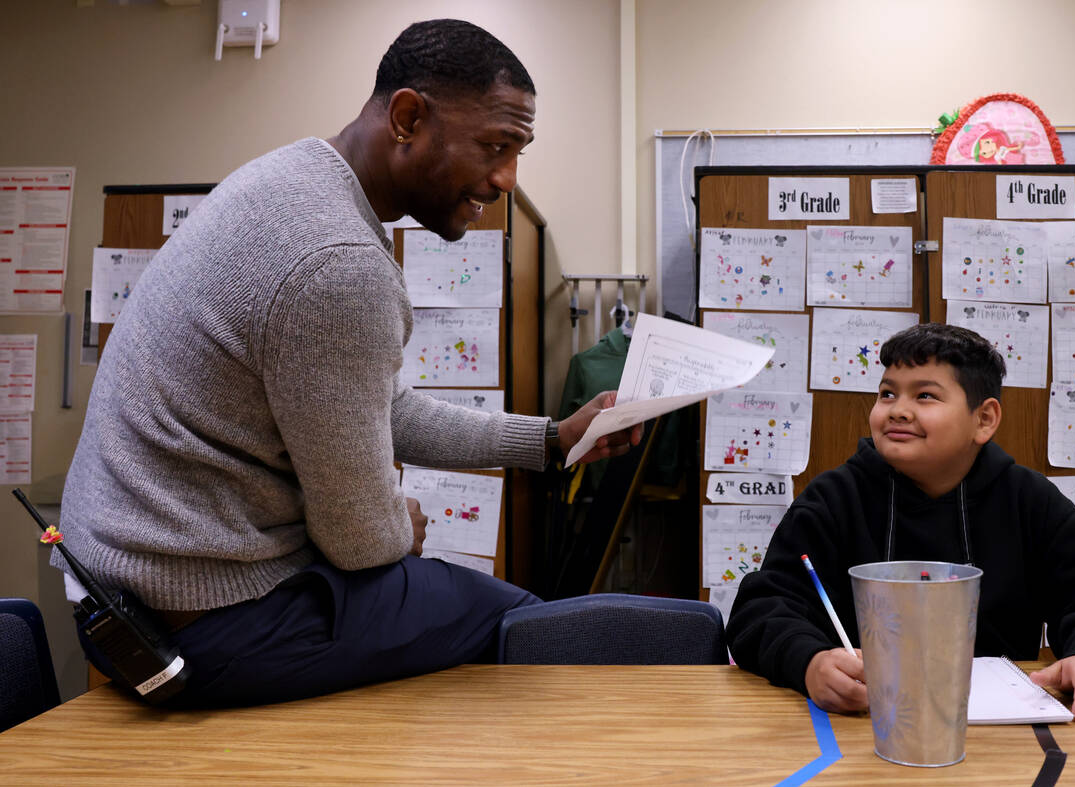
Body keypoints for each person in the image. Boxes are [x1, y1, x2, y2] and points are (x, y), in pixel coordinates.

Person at [54, 19, 640, 707]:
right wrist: (399, 525)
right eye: (495, 146)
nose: (507, 178)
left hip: (120, 592)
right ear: (408, 118)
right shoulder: (338, 264)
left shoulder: (291, 179)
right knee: (529, 626)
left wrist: (549, 440)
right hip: (199, 622)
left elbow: (377, 408)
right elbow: (362, 542)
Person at [726, 323, 1075, 727]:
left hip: (1002, 737)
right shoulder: (835, 498)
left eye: (924, 396)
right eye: (887, 394)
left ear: (984, 419)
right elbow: (762, 607)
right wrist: (809, 661)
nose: (897, 410)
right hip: (854, 726)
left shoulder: (1026, 500)